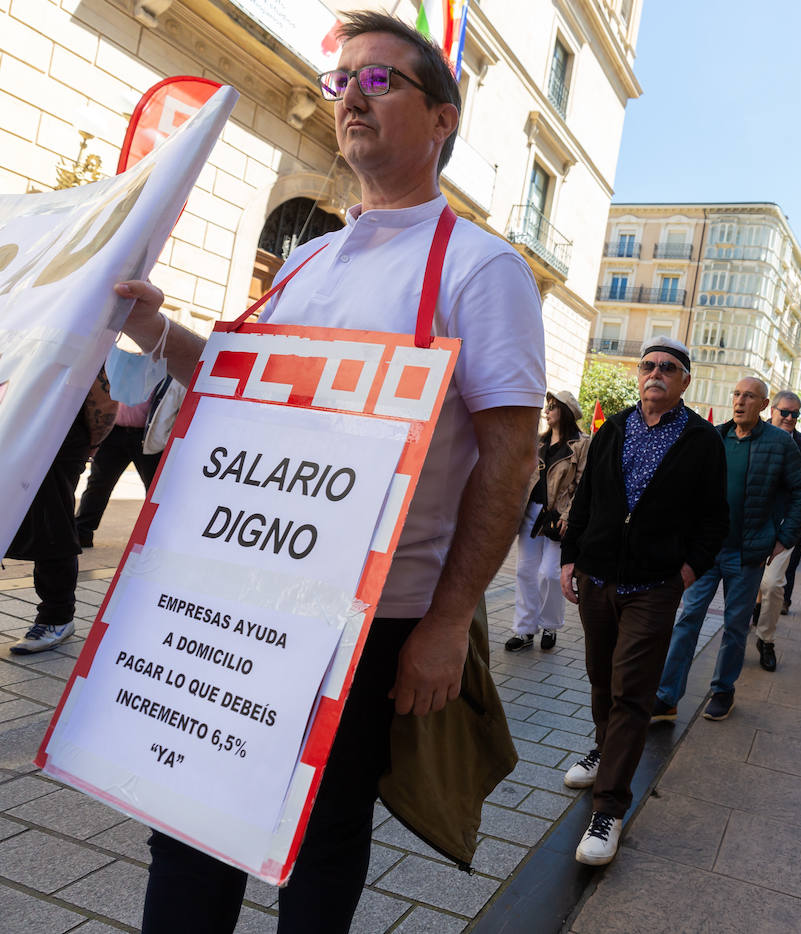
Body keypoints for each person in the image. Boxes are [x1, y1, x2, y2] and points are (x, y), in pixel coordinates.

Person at [115, 13, 542, 930]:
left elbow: (510, 458)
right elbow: (237, 383)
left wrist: (451, 618)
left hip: (372, 622)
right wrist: (156, 328)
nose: (350, 93)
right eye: (342, 78)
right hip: (244, 592)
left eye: (381, 80)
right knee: (189, 819)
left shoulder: (481, 269)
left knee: (320, 837)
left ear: (442, 120)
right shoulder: (306, 260)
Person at [558, 339, 728, 865]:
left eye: (669, 368)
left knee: (633, 693)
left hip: (653, 587)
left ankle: (608, 808)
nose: (656, 373)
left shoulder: (701, 440)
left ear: (684, 382)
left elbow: (713, 518)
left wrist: (686, 570)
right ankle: (605, 749)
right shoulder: (615, 427)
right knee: (601, 677)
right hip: (599, 576)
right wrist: (571, 557)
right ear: (639, 375)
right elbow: (585, 498)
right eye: (649, 366)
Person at [655, 377, 801, 709]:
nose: (740, 401)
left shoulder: (780, 444)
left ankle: (723, 689)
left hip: (747, 554)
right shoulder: (714, 437)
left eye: (749, 396)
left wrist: (784, 538)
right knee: (687, 619)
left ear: (764, 405)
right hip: (706, 552)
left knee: (735, 627)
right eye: (737, 394)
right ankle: (666, 697)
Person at [7, 372, 117, 654]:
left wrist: (90, 444)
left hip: (59, 431)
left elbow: (103, 398)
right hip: (15, 423)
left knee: (51, 520)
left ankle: (57, 617)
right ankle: (56, 615)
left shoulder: (77, 332)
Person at [506, 390, 583, 652]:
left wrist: (569, 515)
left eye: (552, 406)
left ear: (566, 411)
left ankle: (550, 625)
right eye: (547, 406)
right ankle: (525, 629)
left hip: (558, 517)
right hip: (531, 513)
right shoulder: (538, 442)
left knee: (549, 574)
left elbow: (582, 484)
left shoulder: (581, 444)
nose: (546, 411)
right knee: (525, 572)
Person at [753, 390, 801, 639]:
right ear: (771, 410)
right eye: (785, 412)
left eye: (795, 414)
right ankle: (745, 620)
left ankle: (765, 638)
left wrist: (792, 527)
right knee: (749, 583)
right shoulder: (751, 431)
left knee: (773, 583)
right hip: (751, 523)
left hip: (783, 526)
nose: (790, 417)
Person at [73, 389, 162, 548]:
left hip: (147, 435)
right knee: (98, 484)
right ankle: (82, 532)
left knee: (155, 489)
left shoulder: (163, 367)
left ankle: (155, 538)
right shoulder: (119, 364)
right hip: (113, 431)